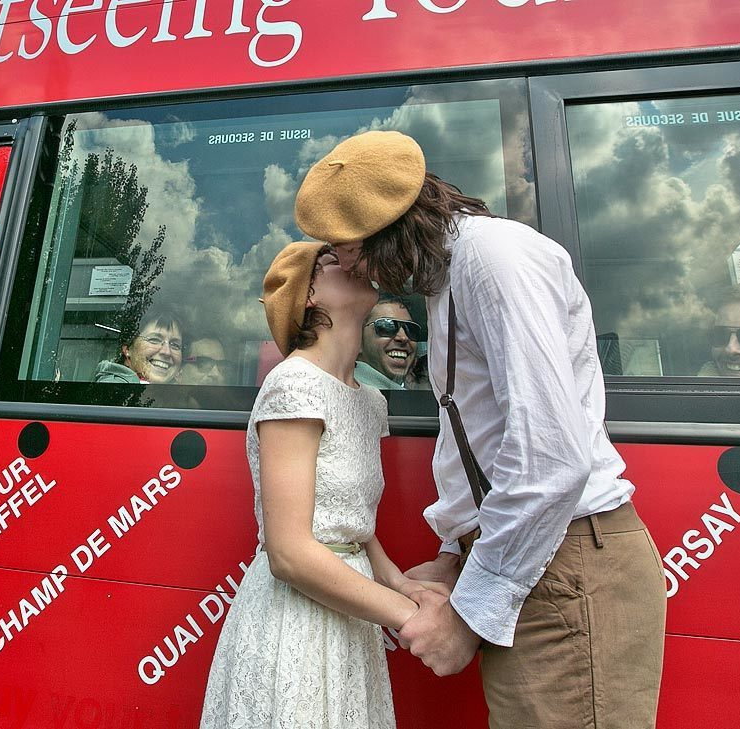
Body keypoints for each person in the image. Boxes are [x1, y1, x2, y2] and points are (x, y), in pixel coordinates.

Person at [294, 131, 667, 729]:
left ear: (389, 229)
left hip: (564, 564)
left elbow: (550, 459)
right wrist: (453, 555)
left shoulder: (495, 260)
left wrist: (467, 616)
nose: (345, 264)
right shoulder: (453, 275)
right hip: (538, 559)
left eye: (347, 248)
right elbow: (485, 438)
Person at [199, 241, 445, 729]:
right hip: (296, 621)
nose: (354, 262)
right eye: (334, 262)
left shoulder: (370, 401)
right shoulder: (294, 385)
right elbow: (289, 554)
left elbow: (351, 521)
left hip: (349, 612)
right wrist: (408, 616)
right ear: (308, 293)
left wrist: (399, 582)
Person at [94, 309, 184, 384]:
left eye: (175, 345)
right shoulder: (112, 391)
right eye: (154, 340)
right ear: (128, 349)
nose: (167, 352)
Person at [354, 295, 420, 389]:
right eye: (387, 326)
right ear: (357, 341)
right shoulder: (343, 392)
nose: (403, 337)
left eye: (410, 329)